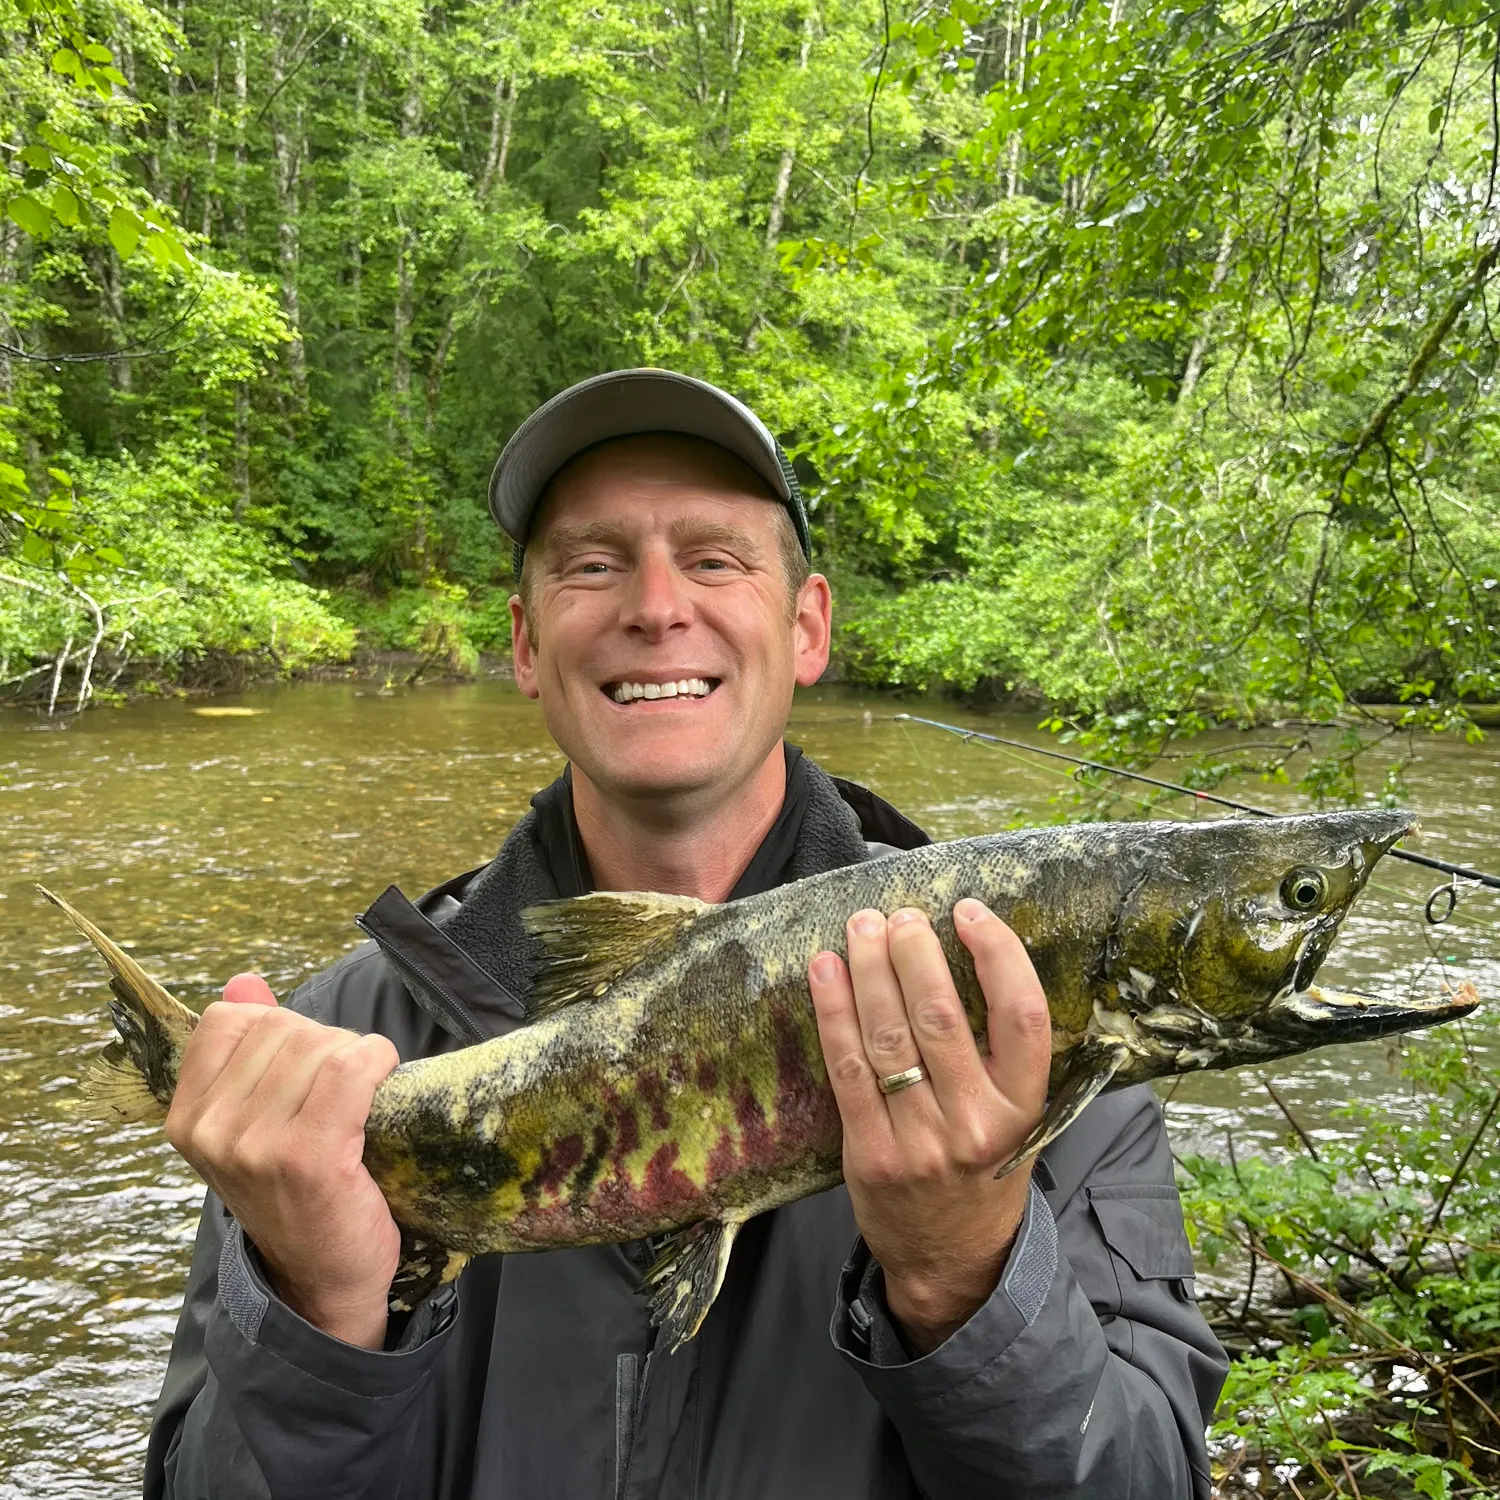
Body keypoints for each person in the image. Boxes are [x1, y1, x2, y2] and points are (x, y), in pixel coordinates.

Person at [144, 369, 1228, 1499]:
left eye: (714, 557)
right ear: (524, 645)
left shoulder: (1029, 1023)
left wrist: (966, 1272)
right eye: (592, 563)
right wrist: (319, 1319)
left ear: (807, 627)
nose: (656, 606)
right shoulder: (332, 1057)